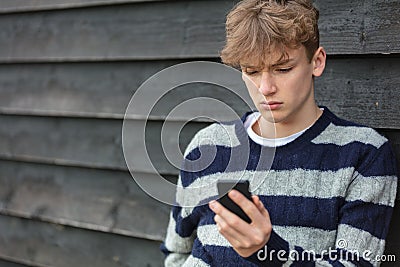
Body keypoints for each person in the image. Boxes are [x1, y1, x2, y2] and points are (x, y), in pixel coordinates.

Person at [161, 0, 398, 266]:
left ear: (317, 62)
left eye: (282, 69)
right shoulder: (207, 146)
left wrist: (268, 250)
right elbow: (177, 252)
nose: (265, 87)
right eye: (251, 70)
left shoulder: (363, 155)